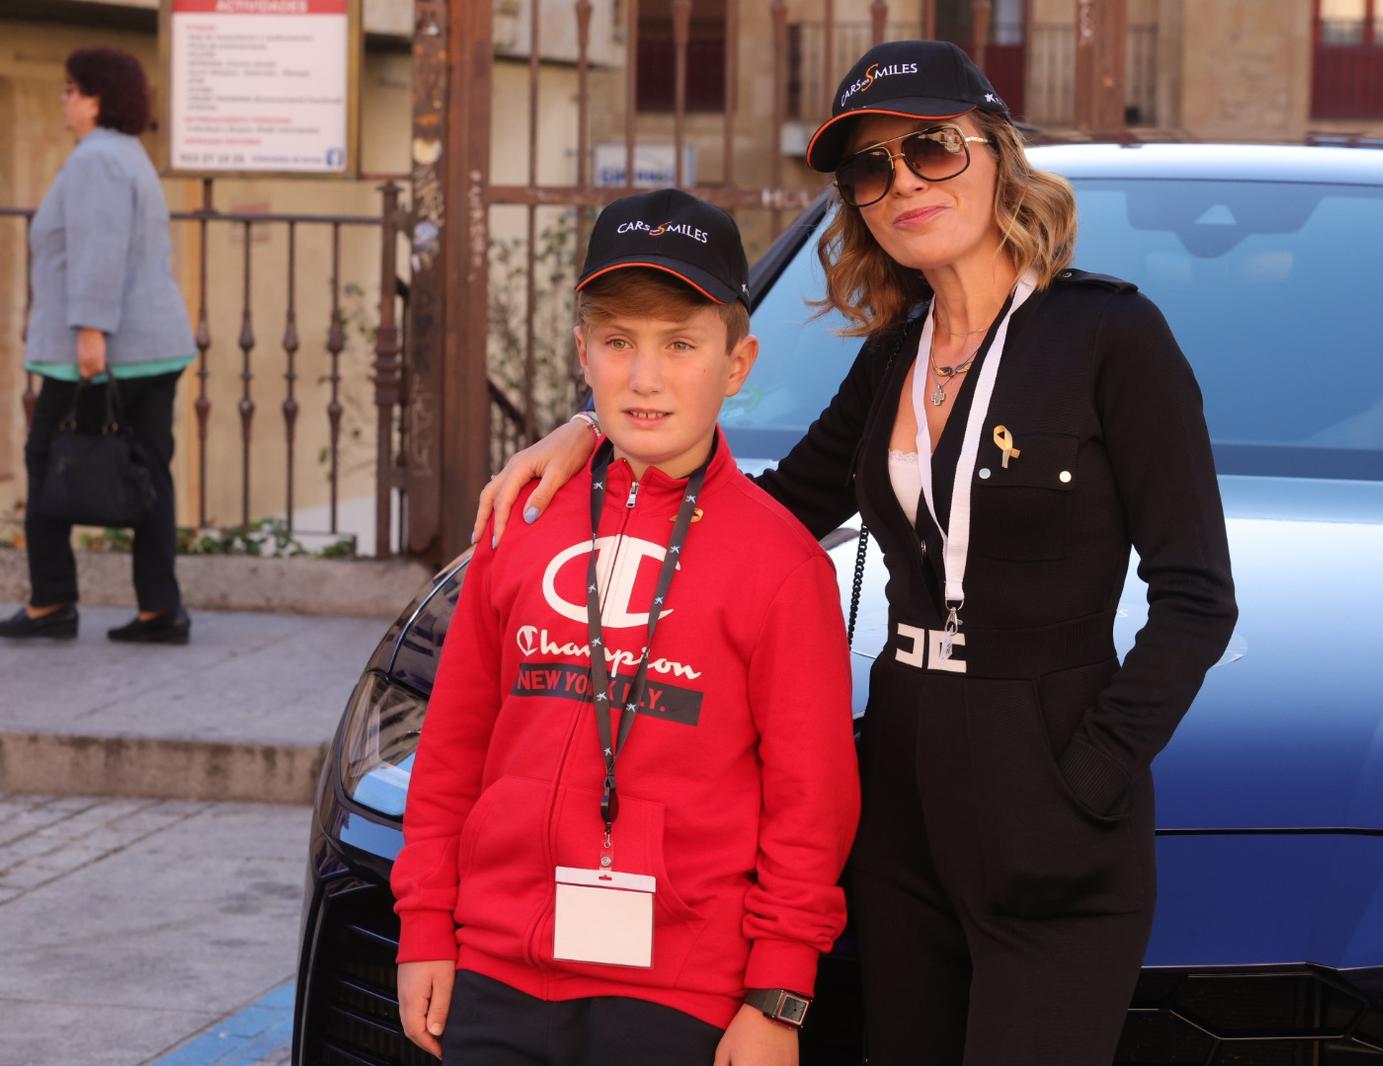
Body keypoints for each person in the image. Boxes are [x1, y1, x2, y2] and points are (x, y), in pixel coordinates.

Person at [475, 39, 1240, 1066]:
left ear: (996, 152)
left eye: (930, 148)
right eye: (871, 168)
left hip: (1050, 787)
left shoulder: (1110, 339)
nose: (903, 184)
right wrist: (601, 427)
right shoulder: (894, 357)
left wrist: (1088, 773)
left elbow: (1196, 598)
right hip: (898, 792)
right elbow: (770, 511)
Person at [392, 188, 860, 1066]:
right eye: (618, 343)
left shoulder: (783, 566)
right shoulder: (521, 523)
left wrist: (778, 997)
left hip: (683, 993)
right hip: (495, 972)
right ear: (584, 354)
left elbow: (812, 809)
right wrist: (424, 925)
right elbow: (453, 747)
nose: (645, 378)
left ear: (737, 361)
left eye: (681, 345)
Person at [1, 48, 195, 644]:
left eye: (71, 88)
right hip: (152, 346)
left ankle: (51, 601)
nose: (65, 98)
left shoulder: (96, 161)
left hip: (106, 348)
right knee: (149, 472)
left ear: (95, 97)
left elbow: (98, 251)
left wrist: (89, 332)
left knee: (47, 457)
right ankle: (160, 609)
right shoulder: (128, 155)